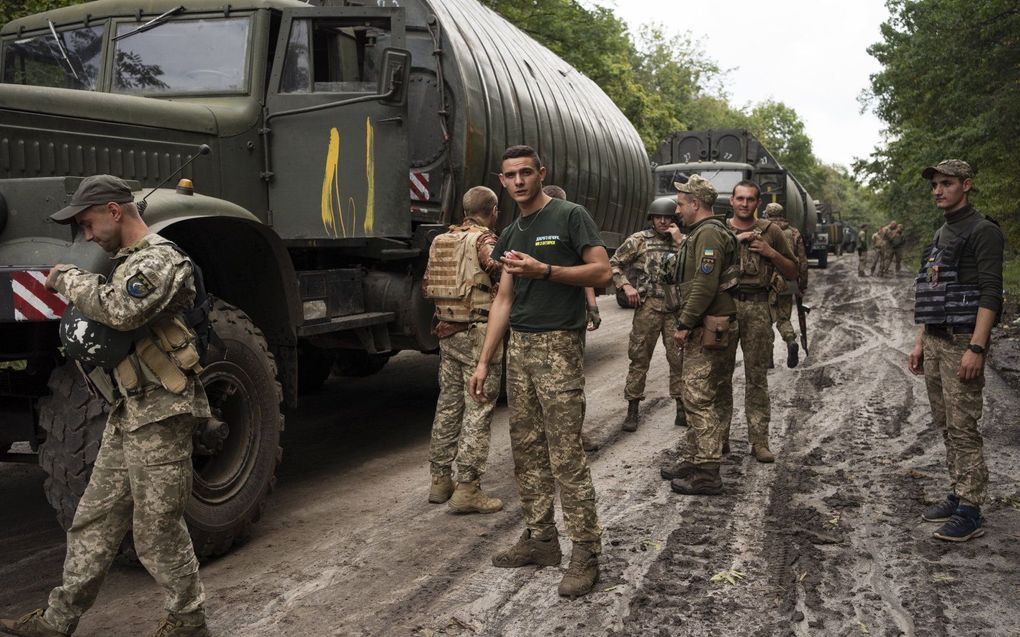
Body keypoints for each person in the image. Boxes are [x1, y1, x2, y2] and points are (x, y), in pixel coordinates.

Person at [1, 175, 211, 637]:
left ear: (115, 211)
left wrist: (68, 277)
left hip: (163, 412)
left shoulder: (161, 260)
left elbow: (120, 311)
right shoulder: (127, 261)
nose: (88, 236)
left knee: (157, 531)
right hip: (129, 411)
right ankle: (58, 620)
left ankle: (188, 620)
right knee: (92, 519)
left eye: (89, 224)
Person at [467, 145, 611, 598]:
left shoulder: (570, 215)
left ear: (540, 173)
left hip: (559, 345)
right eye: (510, 175)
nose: (519, 181)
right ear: (502, 181)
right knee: (525, 450)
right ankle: (541, 539)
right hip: (521, 349)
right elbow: (504, 300)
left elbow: (602, 272)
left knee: (565, 452)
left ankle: (585, 552)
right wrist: (485, 361)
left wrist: (545, 270)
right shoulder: (511, 231)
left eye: (526, 173)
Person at [908, 159, 1004, 542]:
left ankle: (971, 510)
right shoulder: (941, 233)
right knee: (946, 423)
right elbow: (932, 291)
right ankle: (958, 491)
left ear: (966, 185)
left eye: (946, 183)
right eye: (934, 184)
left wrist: (977, 347)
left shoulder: (983, 231)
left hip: (962, 340)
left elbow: (990, 293)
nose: (938, 190)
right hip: (934, 339)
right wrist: (919, 341)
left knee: (964, 428)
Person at [422, 186, 504, 513]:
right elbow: (499, 269)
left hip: (446, 330)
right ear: (493, 210)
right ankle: (468, 488)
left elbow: (427, 286)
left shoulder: (441, 240)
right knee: (479, 406)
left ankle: (440, 480)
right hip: (477, 332)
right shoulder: (485, 241)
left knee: (448, 405)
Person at [657, 175, 738, 495]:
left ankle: (707, 472)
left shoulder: (709, 236)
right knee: (695, 394)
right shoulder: (701, 234)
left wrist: (685, 323)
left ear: (695, 204)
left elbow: (705, 285)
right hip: (704, 322)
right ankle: (694, 458)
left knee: (698, 396)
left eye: (680, 204)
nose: (677, 210)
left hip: (707, 324)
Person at [722, 181, 797, 462]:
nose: (744, 203)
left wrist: (770, 252)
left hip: (757, 307)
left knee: (756, 378)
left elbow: (792, 271)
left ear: (758, 203)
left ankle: (759, 441)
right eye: (739, 198)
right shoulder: (719, 230)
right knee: (720, 377)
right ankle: (719, 439)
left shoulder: (772, 231)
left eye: (750, 199)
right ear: (731, 200)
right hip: (725, 306)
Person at [610, 197, 686, 432]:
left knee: (679, 360)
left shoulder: (685, 241)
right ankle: (632, 409)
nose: (663, 221)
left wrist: (680, 241)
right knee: (639, 359)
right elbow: (614, 263)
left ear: (675, 219)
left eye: (668, 217)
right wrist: (626, 286)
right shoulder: (639, 241)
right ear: (651, 219)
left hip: (675, 310)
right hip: (648, 307)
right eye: (658, 217)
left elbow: (696, 268)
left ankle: (681, 408)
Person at [543, 185, 600, 333]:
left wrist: (593, 307)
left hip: (567, 315)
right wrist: (593, 307)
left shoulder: (572, 231)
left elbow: (587, 274)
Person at [764, 203, 808, 368]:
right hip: (786, 282)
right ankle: (790, 340)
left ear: (767, 214)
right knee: (783, 318)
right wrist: (802, 285)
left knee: (766, 321)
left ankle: (768, 359)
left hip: (766, 282)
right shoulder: (794, 232)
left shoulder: (762, 229)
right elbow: (802, 261)